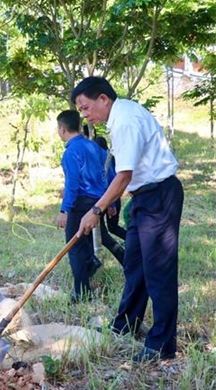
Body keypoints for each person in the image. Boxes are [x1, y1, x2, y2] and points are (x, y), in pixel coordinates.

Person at [71, 76, 183, 362]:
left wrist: (95, 211)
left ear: (103, 99)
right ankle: (126, 324)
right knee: (135, 264)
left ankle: (162, 345)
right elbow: (126, 176)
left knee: (158, 272)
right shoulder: (120, 118)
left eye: (85, 108)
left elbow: (124, 175)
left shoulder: (125, 120)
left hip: (159, 196)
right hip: (143, 199)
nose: (85, 116)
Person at [55, 110, 108, 302]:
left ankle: (82, 292)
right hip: (97, 202)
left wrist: (64, 210)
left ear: (62, 129)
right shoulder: (95, 147)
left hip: (80, 203)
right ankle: (91, 262)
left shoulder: (71, 152)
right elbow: (108, 171)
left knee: (74, 245)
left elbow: (73, 184)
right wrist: (108, 200)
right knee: (83, 241)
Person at [94, 136, 127, 240]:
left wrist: (111, 204)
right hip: (111, 198)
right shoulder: (109, 156)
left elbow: (111, 179)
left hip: (109, 198)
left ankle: (133, 246)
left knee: (108, 231)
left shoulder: (105, 160)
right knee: (112, 228)